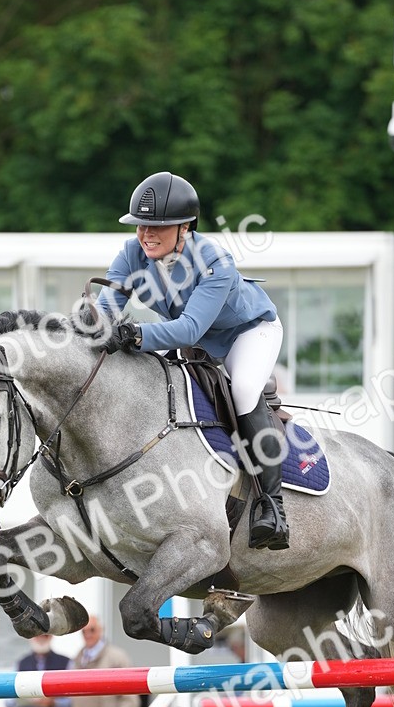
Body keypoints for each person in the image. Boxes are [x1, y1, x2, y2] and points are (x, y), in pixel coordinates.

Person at [96, 170, 288, 550]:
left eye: (157, 228)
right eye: (141, 226)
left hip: (248, 333)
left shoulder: (214, 261)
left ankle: (273, 506)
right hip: (189, 337)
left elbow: (189, 330)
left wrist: (135, 334)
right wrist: (91, 328)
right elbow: (106, 309)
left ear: (185, 228)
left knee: (244, 389)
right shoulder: (132, 253)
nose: (146, 235)